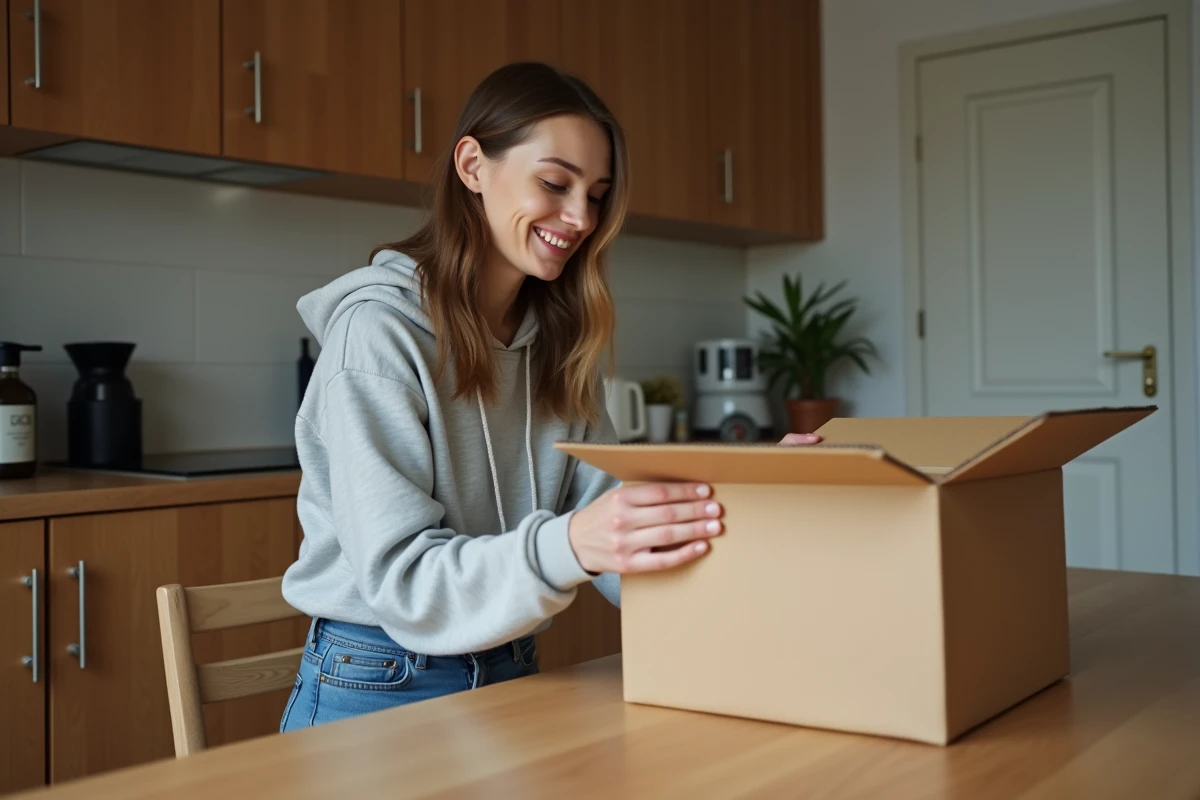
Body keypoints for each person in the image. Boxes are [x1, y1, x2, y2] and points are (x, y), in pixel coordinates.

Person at [277, 61, 821, 732]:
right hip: (377, 681)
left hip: (510, 667)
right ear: (472, 166)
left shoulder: (558, 345)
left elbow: (613, 530)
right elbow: (407, 586)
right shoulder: (377, 334)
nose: (581, 217)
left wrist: (756, 496)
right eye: (555, 183)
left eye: (596, 194)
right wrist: (574, 544)